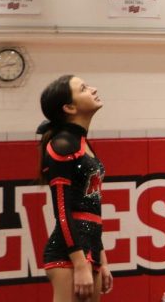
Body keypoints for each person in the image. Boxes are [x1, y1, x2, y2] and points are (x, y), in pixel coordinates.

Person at [36, 74, 111, 300]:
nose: (93, 89)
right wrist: (79, 263)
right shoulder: (62, 145)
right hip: (68, 253)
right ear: (69, 107)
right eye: (84, 89)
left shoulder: (82, 144)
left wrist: (102, 259)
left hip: (90, 249)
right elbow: (62, 210)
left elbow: (94, 211)